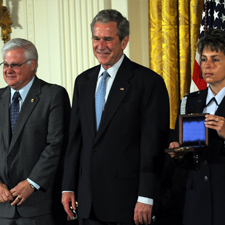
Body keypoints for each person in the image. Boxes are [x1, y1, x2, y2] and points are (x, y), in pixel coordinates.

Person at [62, 9, 169, 225]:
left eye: (108, 39)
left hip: (127, 202)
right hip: (87, 200)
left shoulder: (148, 82)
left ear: (124, 41)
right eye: (96, 38)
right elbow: (75, 140)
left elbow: (153, 145)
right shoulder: (83, 81)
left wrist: (146, 196)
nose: (100, 45)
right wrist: (68, 186)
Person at [0, 38, 70, 225]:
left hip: (38, 207)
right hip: (3, 209)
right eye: (5, 64)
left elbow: (56, 145)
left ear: (33, 64)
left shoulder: (53, 95)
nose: (8, 70)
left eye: (15, 65)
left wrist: (32, 182)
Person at [169, 29, 225, 225]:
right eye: (203, 59)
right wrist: (178, 152)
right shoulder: (189, 102)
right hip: (195, 200)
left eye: (215, 59)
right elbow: (184, 157)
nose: (207, 65)